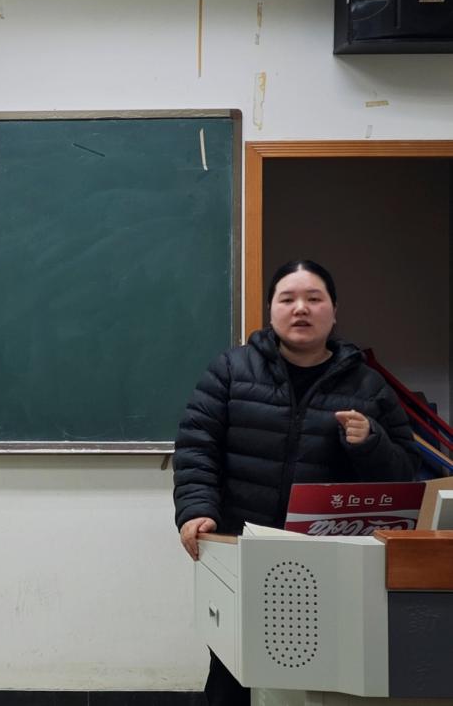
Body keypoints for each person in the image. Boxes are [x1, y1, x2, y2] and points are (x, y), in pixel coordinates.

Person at [172, 259, 421, 706]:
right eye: (287, 298)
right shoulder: (230, 370)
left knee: (318, 678)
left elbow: (405, 479)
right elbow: (197, 447)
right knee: (233, 673)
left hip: (329, 565)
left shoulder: (369, 386)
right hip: (240, 552)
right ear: (270, 310)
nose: (301, 308)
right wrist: (197, 510)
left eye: (314, 299)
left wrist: (371, 443)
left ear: (334, 311)